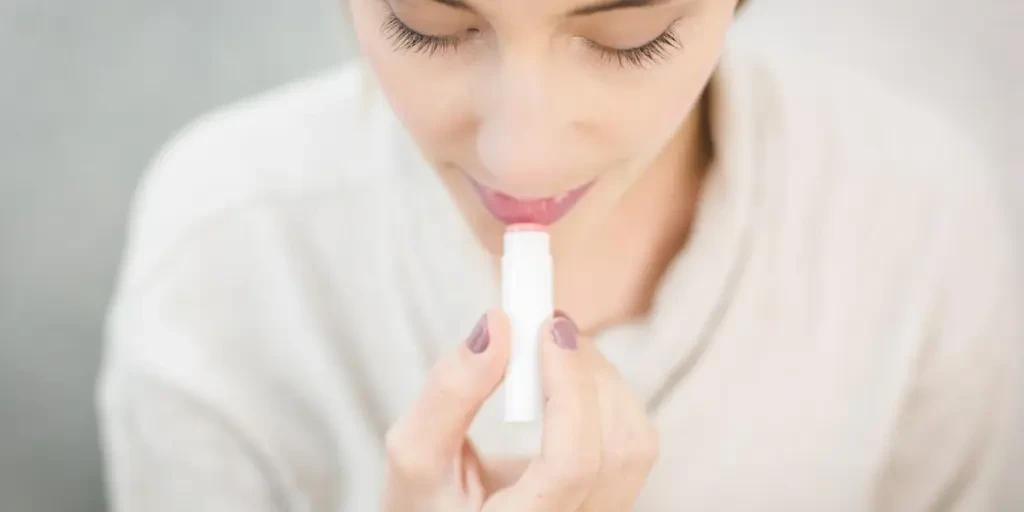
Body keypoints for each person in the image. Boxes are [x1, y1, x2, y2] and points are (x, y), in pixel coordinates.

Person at [97, 0, 1020, 510]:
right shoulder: (222, 252)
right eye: (431, 24)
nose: (522, 157)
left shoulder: (915, 220)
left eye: (630, 36)